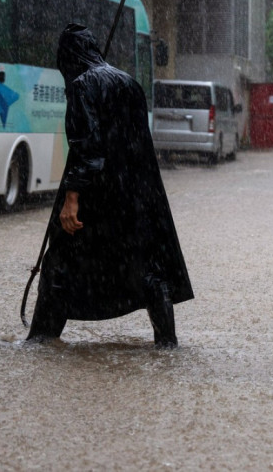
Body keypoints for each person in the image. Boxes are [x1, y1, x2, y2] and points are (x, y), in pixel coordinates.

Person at [27, 23, 193, 348]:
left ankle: (40, 340)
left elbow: (87, 146)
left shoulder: (81, 85)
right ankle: (167, 344)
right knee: (147, 268)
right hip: (135, 197)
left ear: (68, 58)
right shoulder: (130, 83)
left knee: (59, 263)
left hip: (98, 195)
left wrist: (72, 196)